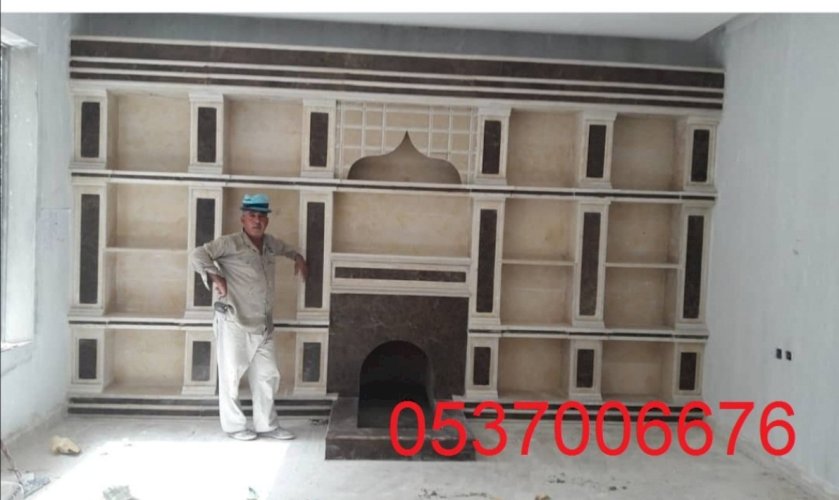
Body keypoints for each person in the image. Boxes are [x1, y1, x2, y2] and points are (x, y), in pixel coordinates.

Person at [191, 193, 308, 441]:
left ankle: (267, 425)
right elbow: (198, 254)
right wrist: (215, 275)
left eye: (261, 216)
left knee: (267, 375)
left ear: (267, 220)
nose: (257, 220)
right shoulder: (230, 243)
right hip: (234, 320)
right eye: (252, 216)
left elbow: (286, 249)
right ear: (243, 219)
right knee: (231, 376)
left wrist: (298, 258)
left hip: (263, 324)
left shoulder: (270, 243)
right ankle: (234, 427)